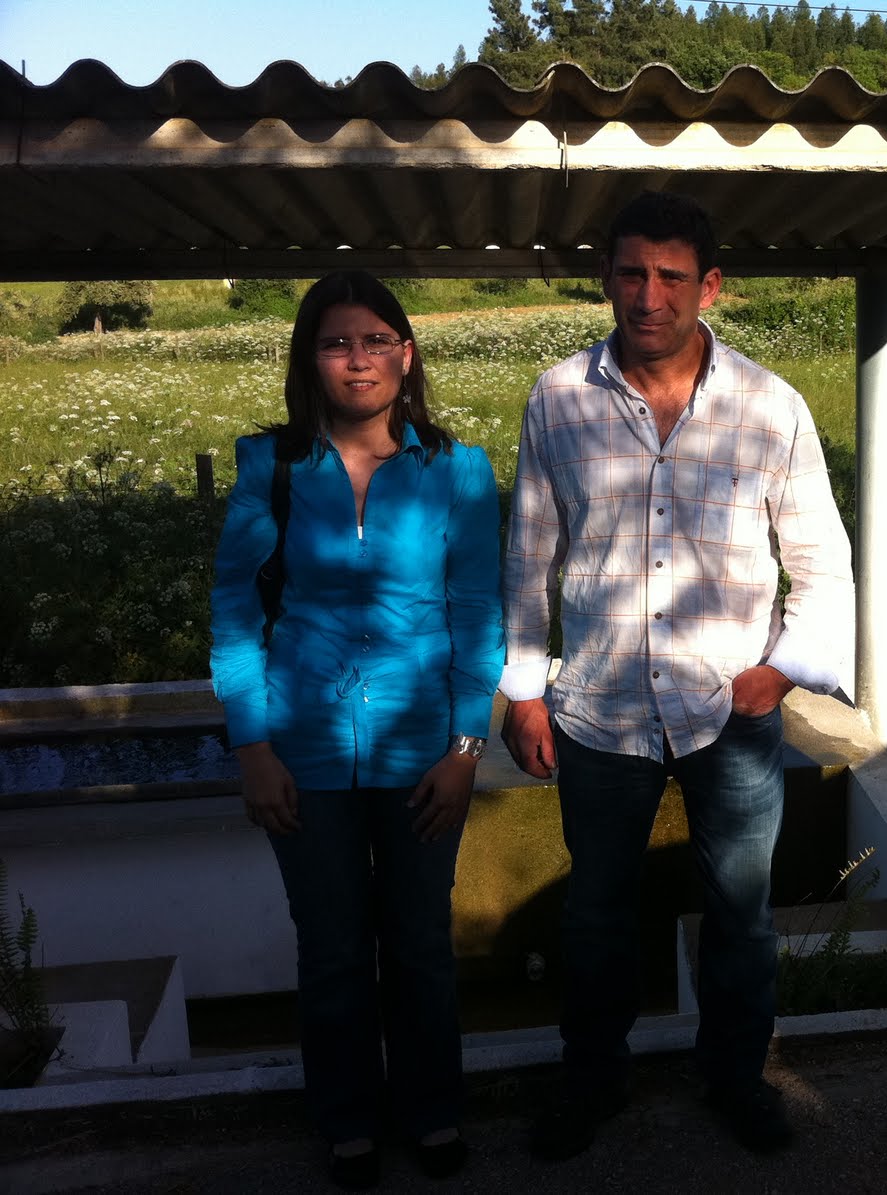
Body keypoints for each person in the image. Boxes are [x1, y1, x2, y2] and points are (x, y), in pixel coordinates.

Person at [501, 191, 854, 1158]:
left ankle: (736, 1076)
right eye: (630, 273)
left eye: (670, 276)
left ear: (711, 286)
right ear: (605, 278)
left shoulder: (770, 407)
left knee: (741, 911)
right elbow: (529, 555)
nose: (648, 296)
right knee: (596, 912)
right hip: (598, 705)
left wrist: (778, 672)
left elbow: (822, 562)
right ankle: (593, 1080)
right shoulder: (557, 398)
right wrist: (523, 688)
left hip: (727, 708)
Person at [210, 271, 503, 1189]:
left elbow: (478, 613)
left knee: (419, 944)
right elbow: (233, 614)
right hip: (303, 750)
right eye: (337, 342)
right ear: (310, 358)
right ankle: (346, 1121)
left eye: (377, 340)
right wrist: (253, 748)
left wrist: (467, 748)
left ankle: (432, 1109)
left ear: (406, 354)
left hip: (425, 752)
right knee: (333, 948)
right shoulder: (271, 466)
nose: (359, 358)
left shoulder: (458, 469)